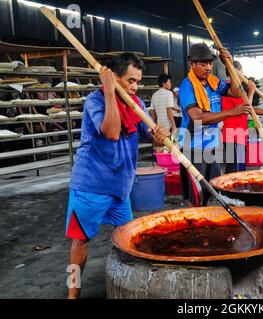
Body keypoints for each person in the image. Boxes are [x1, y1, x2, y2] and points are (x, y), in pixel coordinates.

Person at [65, 53, 169, 299]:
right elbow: (111, 132)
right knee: (80, 243)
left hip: (121, 187)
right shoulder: (95, 100)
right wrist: (110, 92)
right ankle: (72, 293)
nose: (134, 87)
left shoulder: (136, 104)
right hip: (91, 185)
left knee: (128, 238)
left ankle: (128, 287)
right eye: (130, 81)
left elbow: (148, 132)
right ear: (113, 78)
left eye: (138, 82)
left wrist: (157, 135)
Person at [178, 43, 252, 206]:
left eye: (210, 63)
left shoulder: (214, 82)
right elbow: (197, 116)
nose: (208, 67)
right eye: (203, 64)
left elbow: (236, 92)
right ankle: (194, 224)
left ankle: (205, 219)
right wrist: (231, 112)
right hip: (193, 146)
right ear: (192, 64)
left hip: (210, 144)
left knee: (214, 186)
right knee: (196, 195)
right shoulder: (187, 86)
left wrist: (229, 65)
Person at [221, 60, 263, 173]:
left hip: (238, 133)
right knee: (235, 170)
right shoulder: (229, 89)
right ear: (237, 72)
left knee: (238, 167)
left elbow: (251, 109)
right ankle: (231, 190)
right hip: (233, 133)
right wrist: (251, 92)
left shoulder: (235, 89)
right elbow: (246, 108)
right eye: (242, 72)